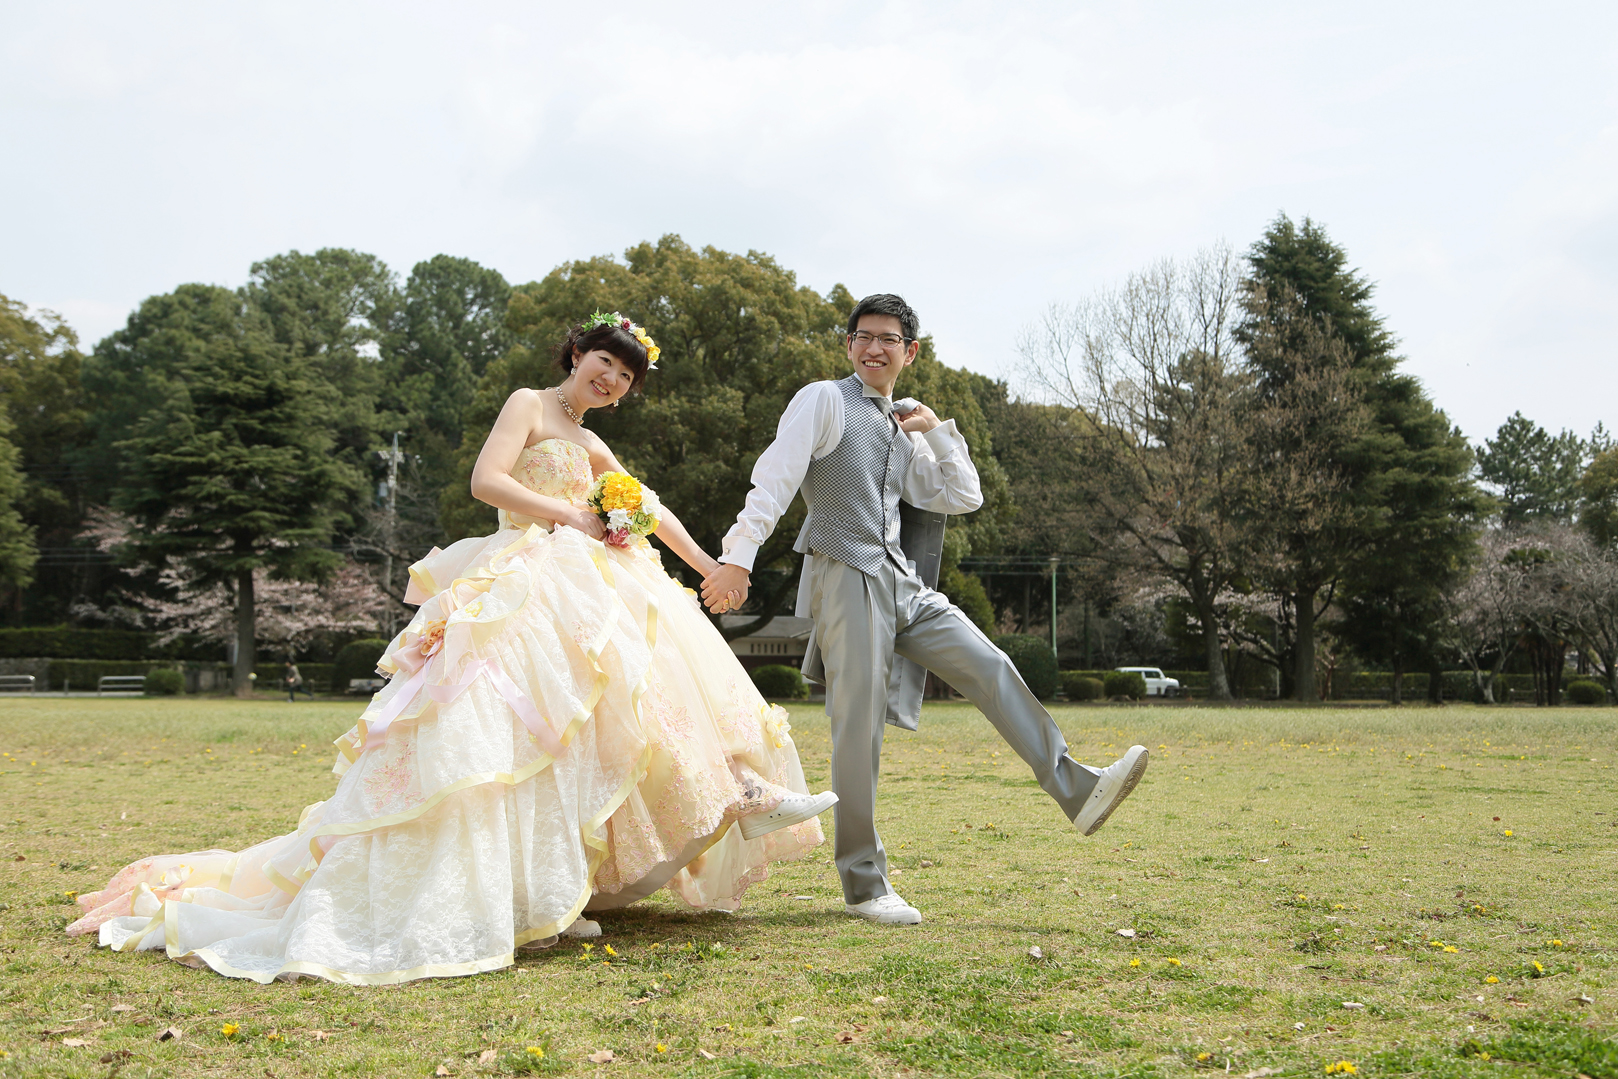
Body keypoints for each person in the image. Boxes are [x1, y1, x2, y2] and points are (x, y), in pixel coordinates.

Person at [67, 313, 836, 984]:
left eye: (627, 376)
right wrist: (572, 517)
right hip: (523, 574)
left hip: (589, 576)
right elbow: (486, 480)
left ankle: (697, 815)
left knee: (612, 711)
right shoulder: (529, 405)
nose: (613, 379)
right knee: (517, 731)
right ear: (578, 355)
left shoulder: (597, 443)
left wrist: (713, 567)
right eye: (607, 362)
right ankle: (547, 888)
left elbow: (651, 508)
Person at [701, 293, 1150, 926]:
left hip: (902, 582)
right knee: (859, 731)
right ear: (849, 345)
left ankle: (1077, 788)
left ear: (909, 352)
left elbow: (962, 496)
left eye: (889, 339)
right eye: (863, 336)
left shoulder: (900, 429)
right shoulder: (823, 400)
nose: (873, 348)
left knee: (988, 663)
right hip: (846, 573)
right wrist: (739, 556)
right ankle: (863, 884)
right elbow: (773, 478)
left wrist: (936, 430)